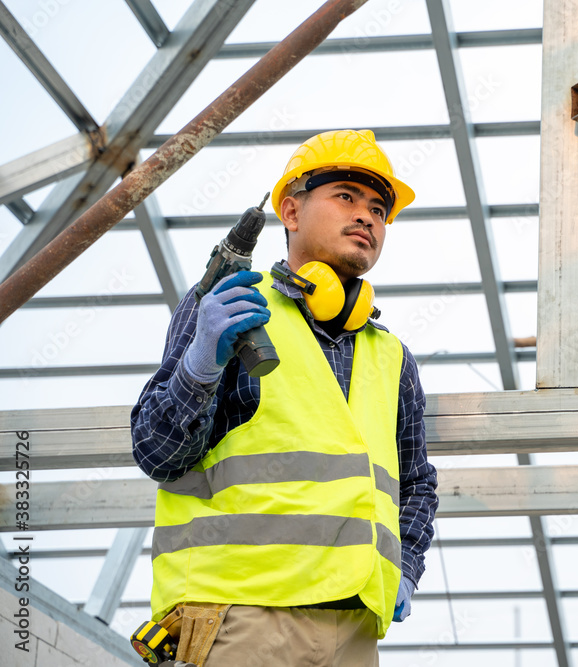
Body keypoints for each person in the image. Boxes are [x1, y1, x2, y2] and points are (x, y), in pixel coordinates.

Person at [131, 129, 438, 667]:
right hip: (240, 616)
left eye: (379, 208)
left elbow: (416, 484)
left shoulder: (392, 358)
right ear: (290, 213)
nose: (367, 216)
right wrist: (201, 362)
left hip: (354, 627)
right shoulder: (229, 309)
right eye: (346, 196)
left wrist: (405, 569)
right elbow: (158, 453)